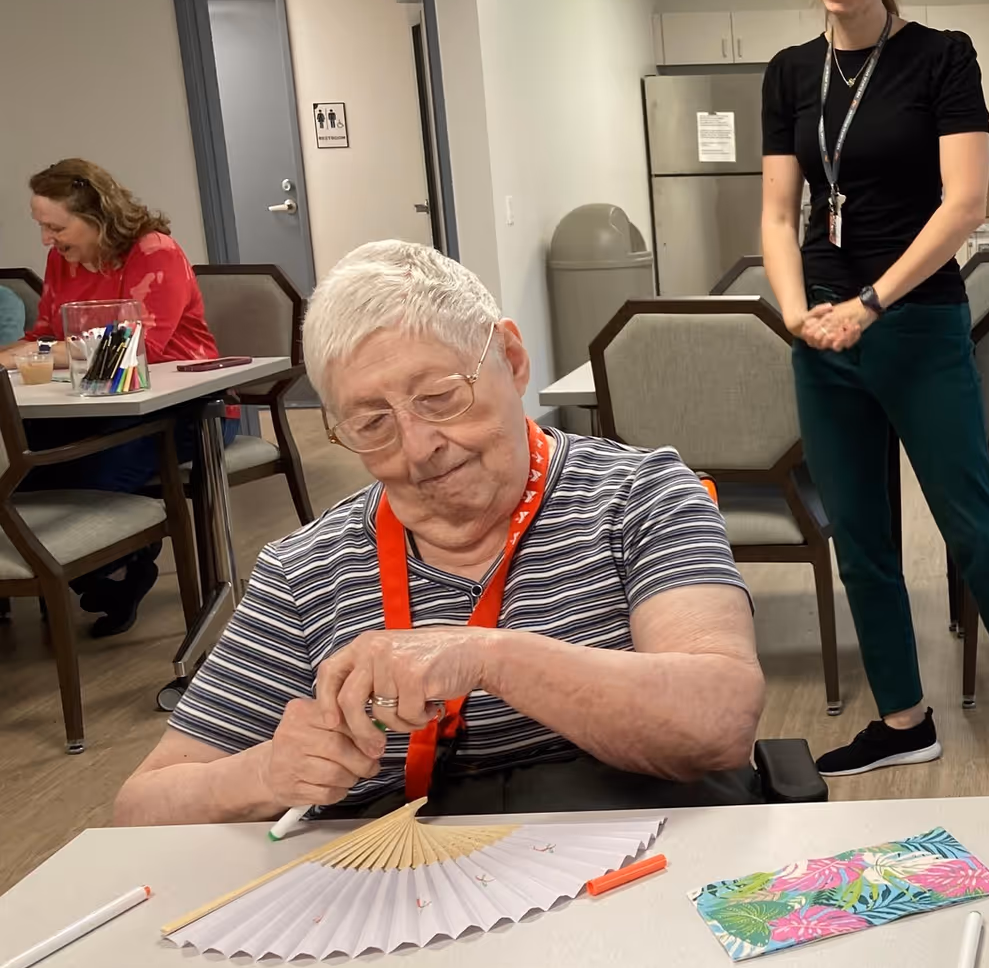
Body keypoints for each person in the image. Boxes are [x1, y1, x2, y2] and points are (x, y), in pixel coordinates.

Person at [114, 240, 765, 825]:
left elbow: (720, 720)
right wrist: (261, 774)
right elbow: (139, 808)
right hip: (415, 902)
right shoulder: (306, 570)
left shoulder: (639, 497)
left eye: (440, 397)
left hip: (638, 867)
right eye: (372, 423)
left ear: (510, 359)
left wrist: (488, 657)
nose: (419, 447)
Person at [760, 0, 989, 776]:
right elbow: (777, 214)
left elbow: (965, 205)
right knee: (863, 543)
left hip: (915, 323)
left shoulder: (942, 57)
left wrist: (871, 304)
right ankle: (904, 718)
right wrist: (801, 316)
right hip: (822, 339)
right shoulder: (789, 72)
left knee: (972, 528)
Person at [1, 158, 228, 635]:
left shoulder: (154, 252)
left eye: (55, 226)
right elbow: (45, 333)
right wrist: (31, 351)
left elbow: (141, 346)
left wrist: (43, 350)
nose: (47, 239)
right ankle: (103, 568)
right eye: (42, 227)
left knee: (94, 476)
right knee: (26, 473)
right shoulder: (62, 259)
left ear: (97, 217)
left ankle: (120, 568)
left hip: (177, 406)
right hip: (91, 401)